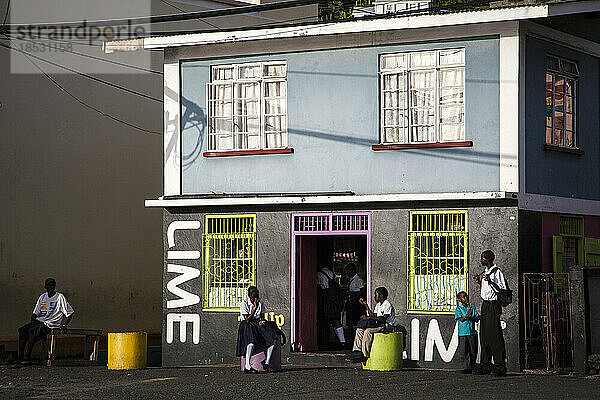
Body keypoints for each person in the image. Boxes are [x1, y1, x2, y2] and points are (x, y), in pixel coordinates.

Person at [18, 278, 74, 362]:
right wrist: (33, 321)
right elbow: (35, 312)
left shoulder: (60, 297)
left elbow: (70, 312)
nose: (51, 287)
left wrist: (64, 325)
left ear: (54, 286)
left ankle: (27, 357)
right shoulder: (43, 296)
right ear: (45, 286)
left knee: (31, 332)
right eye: (49, 285)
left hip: (51, 323)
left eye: (52, 285)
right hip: (40, 320)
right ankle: (20, 357)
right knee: (22, 331)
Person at [473, 250, 507, 377]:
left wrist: (491, 281)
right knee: (484, 335)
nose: (481, 260)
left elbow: (502, 290)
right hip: (485, 305)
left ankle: (500, 366)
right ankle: (485, 365)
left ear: (488, 259)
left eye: (483, 258)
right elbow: (486, 289)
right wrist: (480, 282)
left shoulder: (496, 272)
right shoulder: (486, 272)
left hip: (493, 305)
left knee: (494, 336)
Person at [235, 286, 281, 373]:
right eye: (253, 297)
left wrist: (262, 321)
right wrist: (255, 308)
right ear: (249, 296)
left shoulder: (261, 303)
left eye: (256, 297)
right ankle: (248, 366)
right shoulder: (244, 304)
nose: (254, 299)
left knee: (272, 337)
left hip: (256, 323)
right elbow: (247, 320)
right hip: (247, 324)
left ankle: (266, 362)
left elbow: (262, 316)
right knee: (251, 341)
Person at [348, 287, 395, 362]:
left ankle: (364, 354)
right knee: (359, 330)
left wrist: (368, 317)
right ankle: (357, 351)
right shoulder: (378, 305)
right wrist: (366, 305)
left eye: (376, 295)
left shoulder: (387, 305)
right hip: (377, 325)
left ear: (381, 295)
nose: (374, 297)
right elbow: (373, 315)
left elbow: (383, 319)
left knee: (368, 331)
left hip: (385, 326)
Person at [317, 266, 345, 347]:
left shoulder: (319, 274)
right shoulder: (330, 273)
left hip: (327, 299)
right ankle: (342, 341)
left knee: (330, 320)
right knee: (335, 320)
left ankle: (341, 341)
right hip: (334, 300)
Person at [455, 291, 479, 373]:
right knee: (464, 351)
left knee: (473, 350)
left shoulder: (472, 308)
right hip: (463, 332)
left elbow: (476, 318)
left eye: (466, 296)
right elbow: (460, 319)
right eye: (463, 297)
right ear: (460, 300)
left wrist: (471, 317)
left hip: (472, 332)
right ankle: (466, 367)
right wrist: (467, 315)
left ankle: (472, 367)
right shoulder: (458, 309)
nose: (466, 298)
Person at [344, 263, 366, 331]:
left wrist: (352, 293)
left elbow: (362, 291)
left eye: (349, 271)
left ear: (353, 270)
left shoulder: (358, 280)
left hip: (356, 303)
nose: (347, 273)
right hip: (351, 302)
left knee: (355, 321)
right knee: (351, 321)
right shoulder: (351, 279)